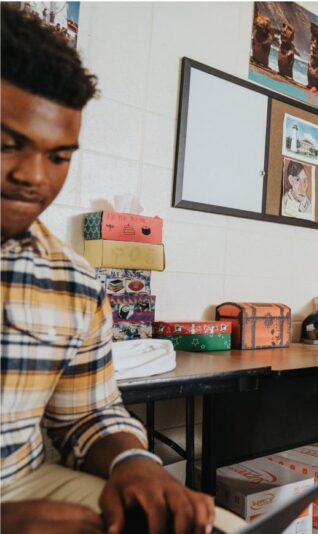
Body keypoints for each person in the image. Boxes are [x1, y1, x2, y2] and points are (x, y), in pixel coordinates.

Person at [0, 7, 243, 533]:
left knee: (205, 525)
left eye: (58, 156)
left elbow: (86, 413)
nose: (31, 177)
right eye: (7, 145)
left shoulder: (73, 282)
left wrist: (134, 463)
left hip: (24, 478)